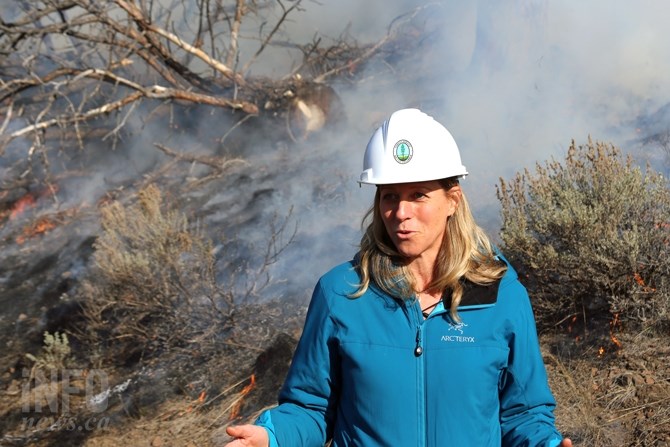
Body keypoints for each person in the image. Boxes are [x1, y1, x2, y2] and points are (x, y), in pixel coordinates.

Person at [225, 108, 573, 446]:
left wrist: (546, 443)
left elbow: (523, 414)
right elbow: (311, 408)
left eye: (418, 195)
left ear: (453, 200)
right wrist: (272, 437)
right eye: (390, 195)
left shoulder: (501, 294)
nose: (401, 213)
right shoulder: (341, 293)